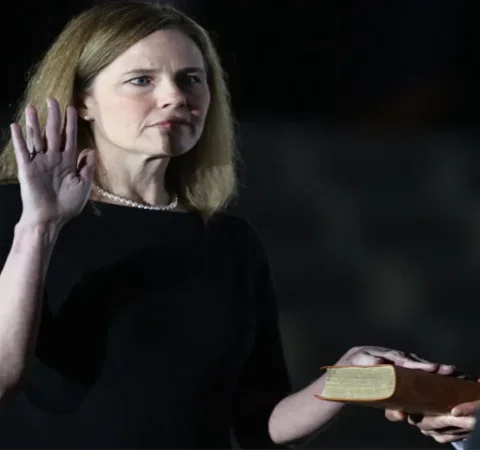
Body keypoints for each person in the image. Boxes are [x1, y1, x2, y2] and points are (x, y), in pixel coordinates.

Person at [0, 0, 471, 448]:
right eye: (141, 80)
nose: (175, 97)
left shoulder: (230, 241)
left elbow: (256, 426)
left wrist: (347, 377)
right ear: (82, 100)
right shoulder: (17, 215)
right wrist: (39, 227)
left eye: (191, 79)